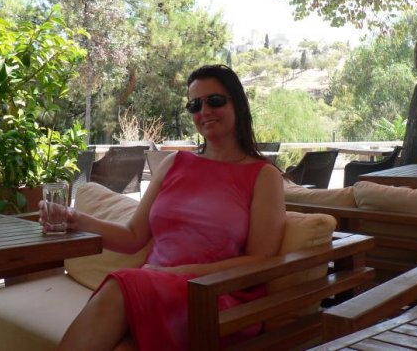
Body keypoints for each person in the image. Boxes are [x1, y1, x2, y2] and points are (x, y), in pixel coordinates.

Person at [40, 64, 286, 351]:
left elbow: (260, 259)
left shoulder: (263, 175)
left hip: (214, 296)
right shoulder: (174, 164)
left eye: (215, 101)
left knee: (121, 284)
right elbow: (133, 236)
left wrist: (180, 273)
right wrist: (76, 219)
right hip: (155, 287)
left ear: (238, 104)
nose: (205, 111)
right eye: (195, 105)